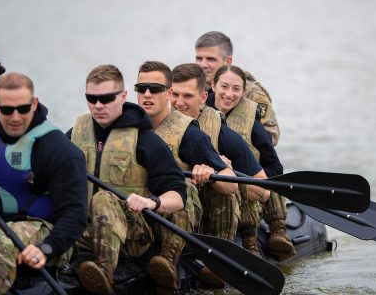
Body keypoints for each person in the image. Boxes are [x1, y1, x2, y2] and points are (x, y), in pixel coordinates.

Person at [0, 72, 88, 295]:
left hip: (44, 232)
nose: (15, 117)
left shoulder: (60, 150)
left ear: (34, 103)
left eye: (23, 109)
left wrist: (47, 249)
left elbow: (75, 214)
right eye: (8, 110)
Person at [68, 64, 188, 295]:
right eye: (91, 99)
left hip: (132, 238)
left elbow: (178, 194)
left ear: (123, 96)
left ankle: (104, 273)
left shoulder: (146, 141)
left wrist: (152, 203)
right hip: (82, 231)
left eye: (106, 98)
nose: (98, 106)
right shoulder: (75, 133)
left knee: (104, 198)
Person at [136, 61, 239, 289]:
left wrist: (211, 172)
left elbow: (231, 185)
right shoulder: (122, 128)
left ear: (166, 92)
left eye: (155, 89)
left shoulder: (191, 135)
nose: (147, 95)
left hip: (176, 216)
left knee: (184, 186)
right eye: (141, 89)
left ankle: (171, 258)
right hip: (134, 213)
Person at [207, 64, 296, 261]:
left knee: (245, 181)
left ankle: (257, 238)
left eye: (236, 89)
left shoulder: (251, 119)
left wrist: (247, 176)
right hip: (206, 183)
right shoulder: (198, 110)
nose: (229, 94)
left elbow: (275, 167)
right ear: (213, 86)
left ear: (243, 91)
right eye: (224, 87)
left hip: (246, 189)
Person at [195, 31, 280, 146]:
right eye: (199, 58)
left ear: (228, 61)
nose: (203, 64)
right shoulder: (194, 88)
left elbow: (272, 136)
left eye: (210, 59)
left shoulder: (252, 93)